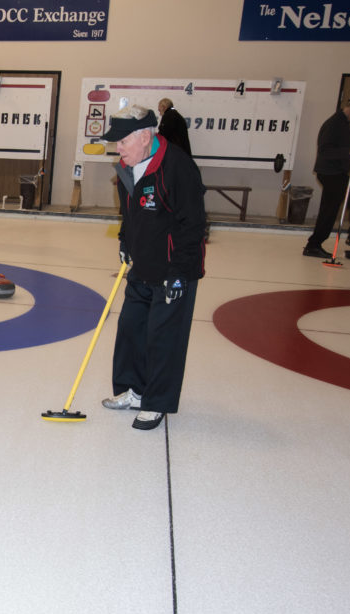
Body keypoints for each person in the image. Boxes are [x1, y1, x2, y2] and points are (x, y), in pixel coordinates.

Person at [100, 105, 207, 431]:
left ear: (145, 137)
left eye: (123, 142)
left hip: (174, 269)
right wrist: (125, 240)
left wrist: (179, 273)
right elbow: (130, 212)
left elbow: (193, 225)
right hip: (143, 263)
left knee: (164, 338)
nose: (118, 148)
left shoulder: (178, 168)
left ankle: (156, 401)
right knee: (131, 329)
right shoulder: (126, 167)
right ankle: (134, 391)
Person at [303, 92, 350, 257]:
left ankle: (313, 245)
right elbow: (324, 150)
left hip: (334, 173)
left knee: (329, 210)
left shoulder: (342, 123)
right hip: (330, 174)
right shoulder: (335, 123)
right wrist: (348, 151)